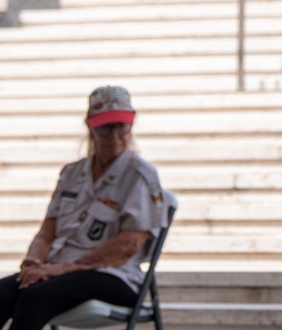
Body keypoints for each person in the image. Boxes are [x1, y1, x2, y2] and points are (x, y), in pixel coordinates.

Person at [0, 86, 168, 330]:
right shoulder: (72, 172)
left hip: (112, 274)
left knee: (36, 297)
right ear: (90, 126)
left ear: (131, 126)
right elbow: (47, 231)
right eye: (105, 126)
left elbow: (129, 244)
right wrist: (33, 261)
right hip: (58, 268)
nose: (113, 135)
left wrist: (65, 268)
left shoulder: (140, 175)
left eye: (121, 126)